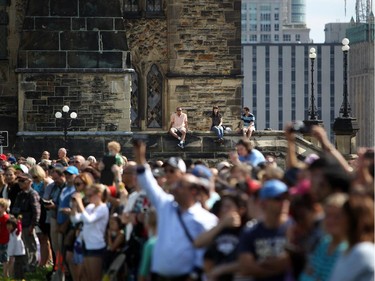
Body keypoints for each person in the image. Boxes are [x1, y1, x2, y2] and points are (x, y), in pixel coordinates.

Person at [134, 140, 218, 281]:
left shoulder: (206, 218)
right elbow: (148, 184)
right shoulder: (166, 204)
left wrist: (195, 274)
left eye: (180, 186)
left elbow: (206, 252)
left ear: (193, 191)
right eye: (165, 171)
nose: (175, 187)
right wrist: (139, 158)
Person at [238, 179, 291, 281]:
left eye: (287, 198)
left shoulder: (294, 228)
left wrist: (263, 265)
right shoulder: (251, 231)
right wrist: (278, 268)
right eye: (278, 199)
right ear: (264, 203)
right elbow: (246, 268)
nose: (284, 203)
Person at [329, 194, 375, 281]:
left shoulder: (363, 252)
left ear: (353, 220)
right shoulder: (347, 250)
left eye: (341, 215)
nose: (337, 220)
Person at [70, 183, 110, 281]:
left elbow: (89, 219)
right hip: (86, 245)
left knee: (95, 278)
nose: (88, 198)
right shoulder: (90, 207)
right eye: (87, 195)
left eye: (90, 195)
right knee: (85, 277)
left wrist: (80, 203)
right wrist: (74, 206)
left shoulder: (103, 208)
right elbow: (75, 219)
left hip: (96, 246)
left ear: (99, 194)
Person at [11, 172, 41, 273]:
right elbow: (15, 208)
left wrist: (33, 225)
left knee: (31, 247)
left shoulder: (33, 194)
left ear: (29, 182)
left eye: (22, 181)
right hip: (19, 224)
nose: (20, 183)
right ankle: (24, 266)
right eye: (19, 181)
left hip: (28, 225)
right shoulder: (20, 194)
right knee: (22, 246)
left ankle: (32, 267)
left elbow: (36, 211)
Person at [6, 215, 26, 280]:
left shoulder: (16, 232)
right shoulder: (9, 233)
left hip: (18, 251)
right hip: (12, 251)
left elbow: (19, 228)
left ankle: (20, 276)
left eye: (10, 225)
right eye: (7, 225)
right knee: (11, 263)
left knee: (19, 265)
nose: (8, 227)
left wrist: (19, 222)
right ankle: (12, 275)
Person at [0, 198, 10, 278]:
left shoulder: (7, 218)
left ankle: (5, 274)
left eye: (1, 206)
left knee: (5, 258)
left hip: (5, 240)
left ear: (5, 208)